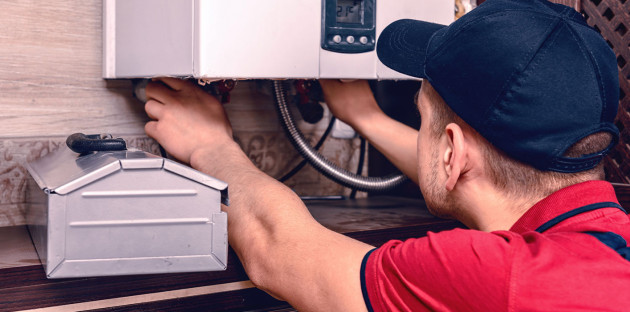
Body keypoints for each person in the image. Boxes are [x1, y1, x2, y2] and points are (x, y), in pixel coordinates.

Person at [143, 0, 629, 310]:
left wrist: (209, 145)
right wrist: (367, 118)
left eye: (422, 117)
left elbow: (278, 253)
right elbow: (468, 175)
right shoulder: (608, 240)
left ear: (453, 151)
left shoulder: (500, 277)